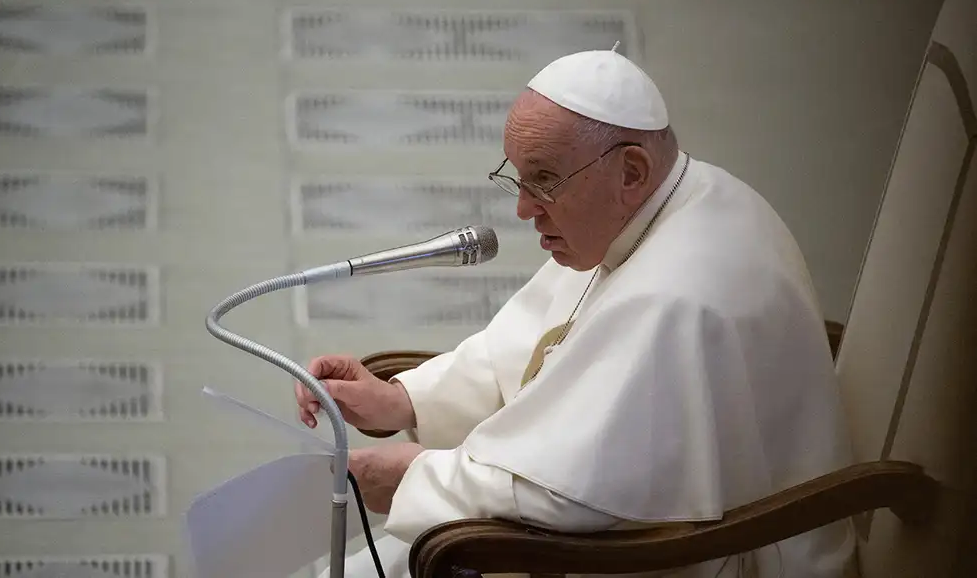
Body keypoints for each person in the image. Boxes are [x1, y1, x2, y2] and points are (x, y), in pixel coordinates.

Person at [296, 48, 858, 578]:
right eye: (518, 177)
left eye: (544, 180)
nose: (523, 209)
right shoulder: (660, 206)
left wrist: (412, 479)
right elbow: (522, 351)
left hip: (693, 554)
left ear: (631, 172)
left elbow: (573, 495)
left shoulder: (680, 292)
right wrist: (401, 399)